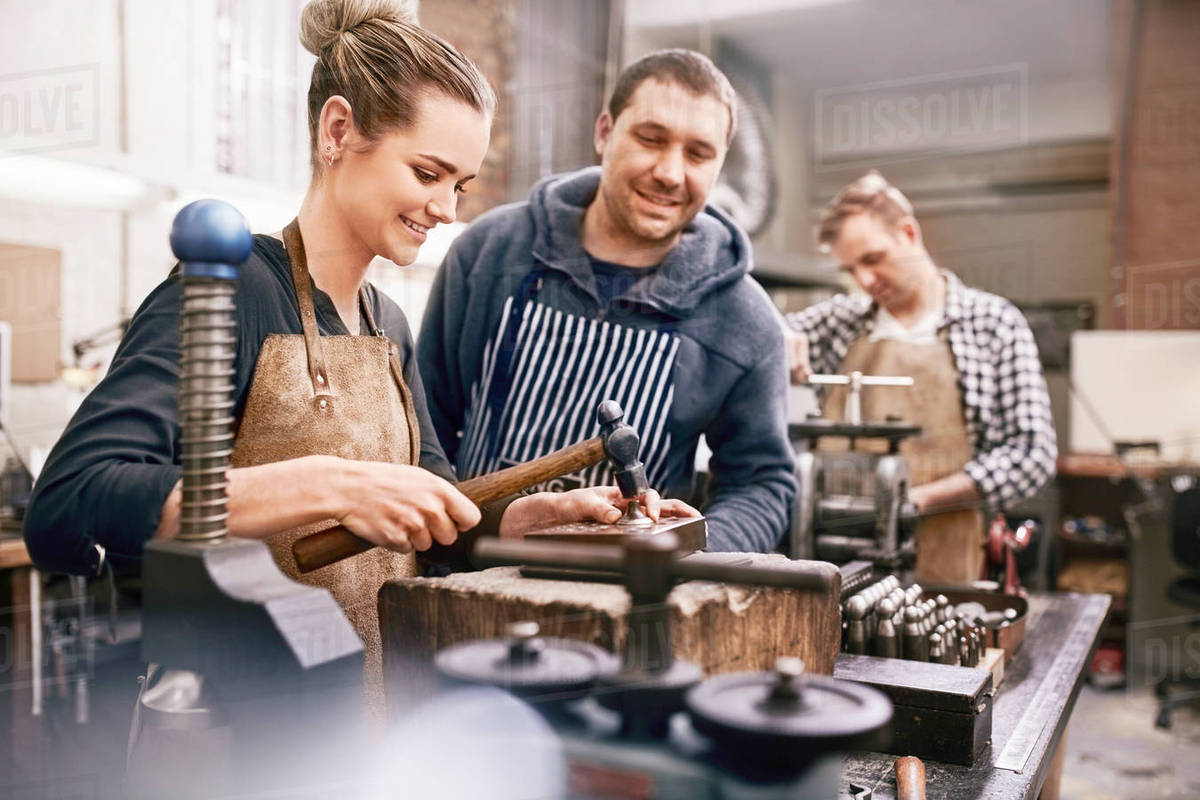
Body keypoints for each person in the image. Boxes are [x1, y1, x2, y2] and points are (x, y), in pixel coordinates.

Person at [23, 0, 694, 708]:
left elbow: (439, 521)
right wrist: (330, 484)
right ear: (338, 130)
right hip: (232, 728)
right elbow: (70, 502)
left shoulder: (389, 327)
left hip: (364, 715)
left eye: (459, 186)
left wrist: (536, 518)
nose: (447, 210)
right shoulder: (235, 291)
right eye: (428, 173)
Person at [417, 49, 795, 554]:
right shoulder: (490, 253)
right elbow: (422, 435)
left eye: (698, 154)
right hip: (462, 583)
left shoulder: (744, 320)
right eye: (650, 139)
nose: (670, 171)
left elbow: (761, 484)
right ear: (604, 132)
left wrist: (690, 554)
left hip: (630, 611)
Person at [784, 170, 1056, 581]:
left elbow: (1032, 453)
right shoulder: (839, 321)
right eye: (851, 269)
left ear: (908, 234)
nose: (865, 281)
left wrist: (913, 501)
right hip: (838, 554)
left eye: (873, 259)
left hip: (948, 557)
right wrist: (777, 333)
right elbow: (753, 332)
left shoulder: (992, 323)